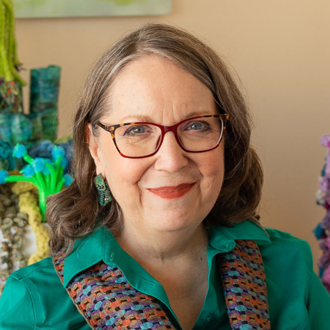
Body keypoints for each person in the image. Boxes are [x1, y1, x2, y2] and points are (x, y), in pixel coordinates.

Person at [0, 23, 329, 330]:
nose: (171, 161)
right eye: (137, 130)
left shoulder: (290, 269)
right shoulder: (36, 304)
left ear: (227, 139)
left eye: (196, 125)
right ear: (95, 149)